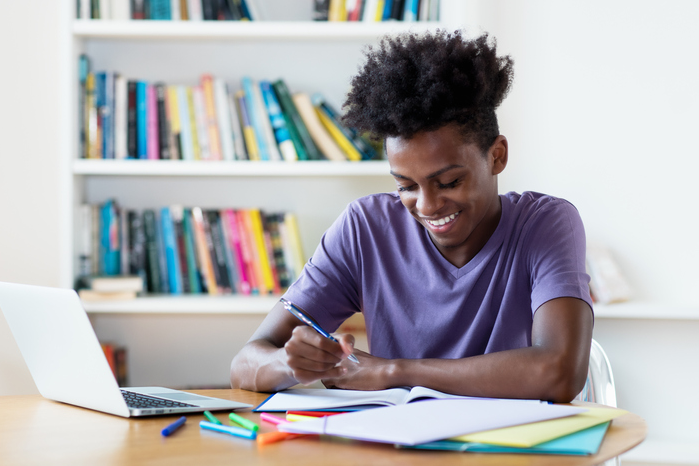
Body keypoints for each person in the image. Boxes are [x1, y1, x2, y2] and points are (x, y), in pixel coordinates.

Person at [230, 30, 593, 403]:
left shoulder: (546, 224)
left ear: (496, 156)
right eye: (406, 186)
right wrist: (295, 365)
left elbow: (559, 371)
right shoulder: (365, 228)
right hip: (400, 454)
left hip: (510, 455)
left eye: (449, 181)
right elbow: (244, 364)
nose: (428, 205)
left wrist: (393, 371)